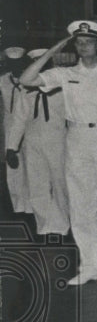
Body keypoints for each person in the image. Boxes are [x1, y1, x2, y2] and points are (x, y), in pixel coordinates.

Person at [19, 21, 97, 285]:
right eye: (79, 42)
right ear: (74, 46)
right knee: (80, 204)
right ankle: (89, 265)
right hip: (76, 138)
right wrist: (52, 51)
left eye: (89, 41)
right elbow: (26, 79)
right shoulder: (64, 73)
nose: (84, 46)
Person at [5, 48, 69, 235]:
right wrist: (11, 147)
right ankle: (44, 225)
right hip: (32, 142)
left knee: (60, 184)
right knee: (36, 183)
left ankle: (62, 225)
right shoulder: (26, 91)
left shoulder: (62, 89)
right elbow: (19, 120)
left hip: (58, 140)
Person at [2, 46, 31, 214]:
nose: (15, 67)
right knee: (13, 167)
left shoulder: (31, 78)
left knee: (32, 165)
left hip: (30, 125)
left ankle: (30, 206)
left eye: (18, 63)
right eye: (11, 63)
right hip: (10, 125)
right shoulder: (3, 80)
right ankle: (18, 206)